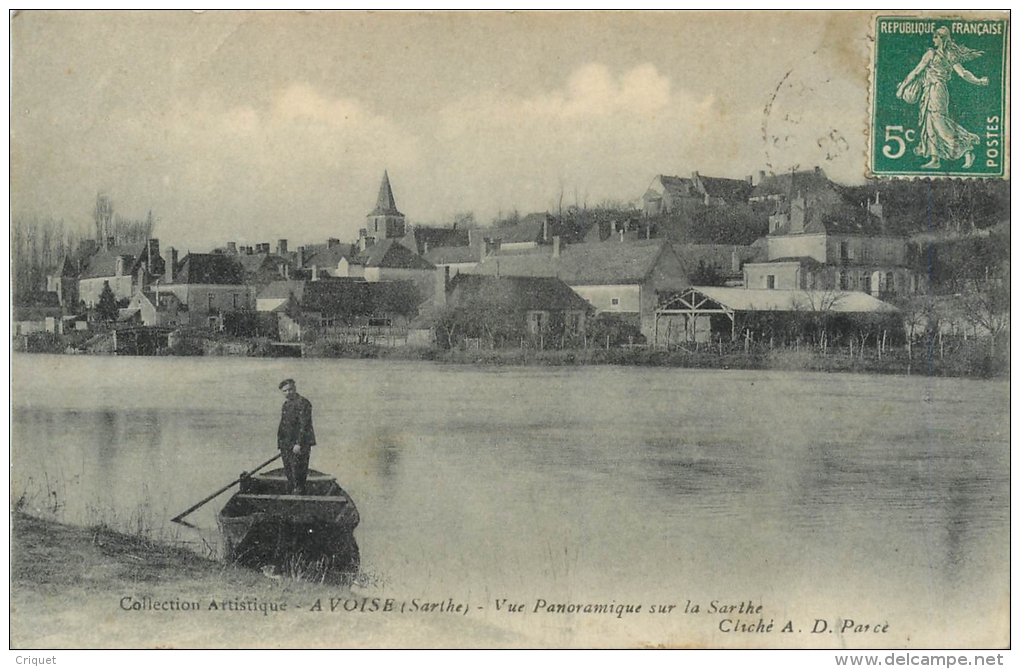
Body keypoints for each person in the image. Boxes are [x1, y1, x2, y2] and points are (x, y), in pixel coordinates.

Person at [896, 26, 989, 170]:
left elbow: (963, 73)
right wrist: (903, 87)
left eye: (936, 36)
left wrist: (978, 81)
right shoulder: (933, 53)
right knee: (929, 124)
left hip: (937, 91)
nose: (933, 39)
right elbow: (916, 72)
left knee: (939, 123)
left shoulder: (942, 55)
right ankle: (935, 159)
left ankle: (967, 146)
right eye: (934, 36)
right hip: (929, 91)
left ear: (942, 38)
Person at [277, 378, 316, 494]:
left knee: (298, 474)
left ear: (295, 388)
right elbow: (284, 426)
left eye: (290, 389)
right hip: (286, 444)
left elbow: (305, 426)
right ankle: (292, 494)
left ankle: (299, 496)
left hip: (299, 445)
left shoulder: (303, 403)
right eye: (285, 391)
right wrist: (281, 444)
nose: (288, 393)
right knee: (289, 472)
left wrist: (298, 443)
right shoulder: (286, 404)